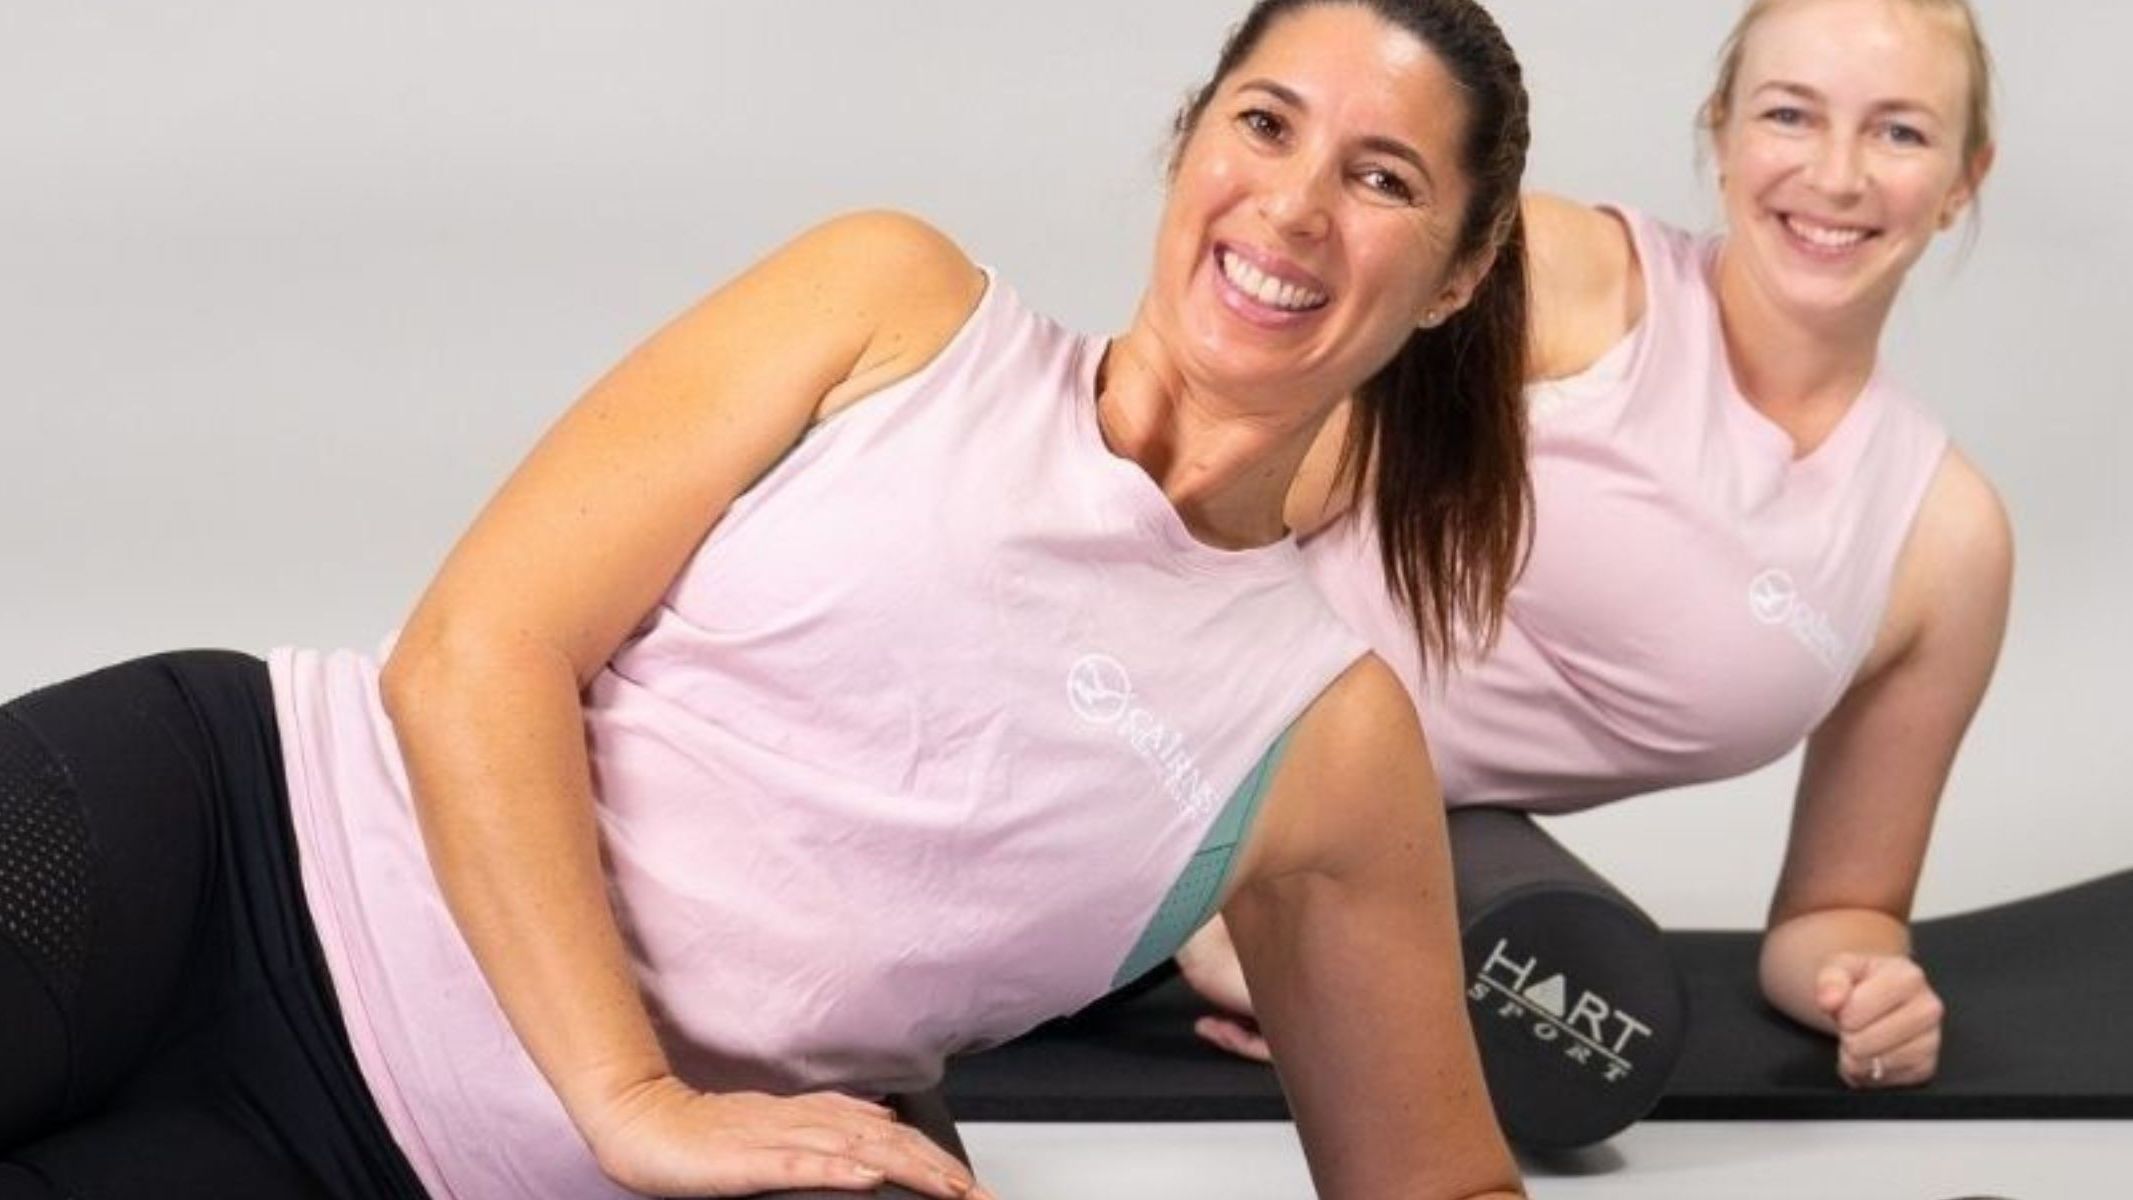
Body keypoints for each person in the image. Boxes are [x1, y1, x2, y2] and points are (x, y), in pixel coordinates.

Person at [0, 2, 1542, 1197]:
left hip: (418, 1165)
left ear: (1462, 271)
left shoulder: (1320, 741)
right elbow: (477, 655)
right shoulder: (894, 304)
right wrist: (632, 1101)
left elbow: (1438, 1177)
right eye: (1264, 124)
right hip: (227, 836)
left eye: (1381, 178)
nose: (1290, 207)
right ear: (1189, 136)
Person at [1181, 0, 2011, 1097]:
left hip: (1348, 864)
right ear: (1720, 132)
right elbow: (1201, 515)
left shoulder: (1945, 542)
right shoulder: (1553, 276)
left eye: (1900, 132)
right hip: (1134, 745)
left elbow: (1834, 914)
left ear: (1963, 177)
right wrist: (1211, 853)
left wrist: (1866, 981)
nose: (1840, 176)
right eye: (1789, 115)